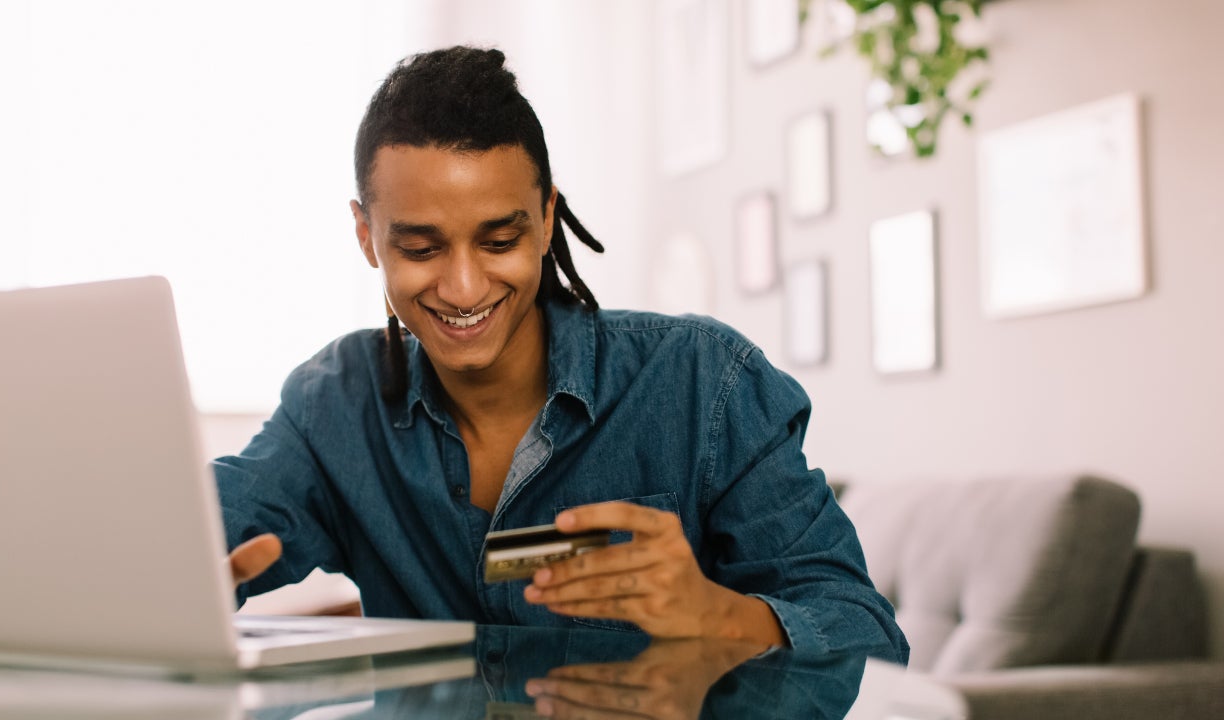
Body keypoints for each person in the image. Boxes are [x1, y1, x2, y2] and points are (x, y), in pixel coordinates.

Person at [215, 45, 907, 662]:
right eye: (421, 248)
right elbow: (201, 530)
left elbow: (866, 635)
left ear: (547, 218)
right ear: (367, 236)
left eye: (499, 242)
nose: (463, 287)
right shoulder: (334, 404)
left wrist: (715, 615)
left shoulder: (704, 383)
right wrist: (184, 572)